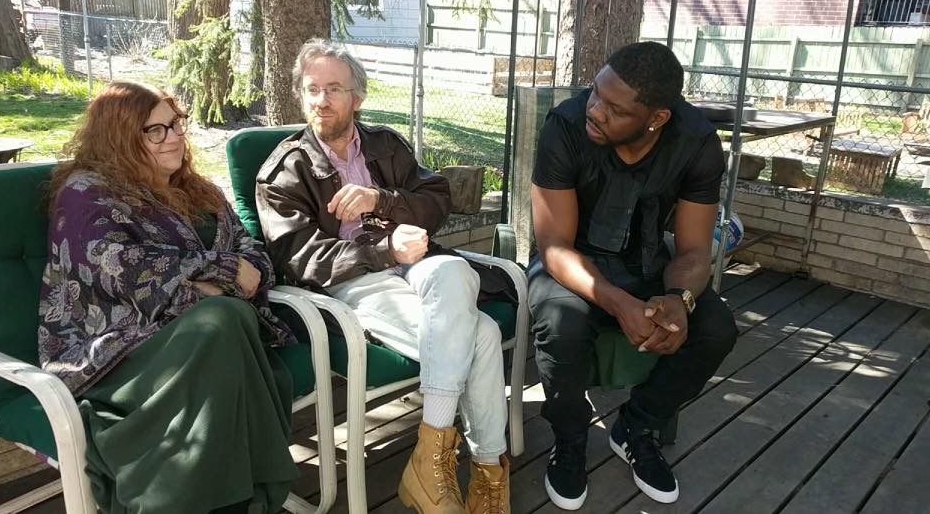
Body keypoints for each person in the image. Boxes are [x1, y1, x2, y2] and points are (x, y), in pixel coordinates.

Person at [256, 39, 511, 514]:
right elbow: (299, 258)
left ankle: (429, 458)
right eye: (312, 89)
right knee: (483, 333)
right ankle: (488, 470)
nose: (321, 100)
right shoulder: (284, 171)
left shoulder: (385, 145)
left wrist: (382, 201)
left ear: (357, 97)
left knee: (455, 269)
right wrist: (382, 248)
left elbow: (436, 200)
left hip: (419, 263)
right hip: (351, 283)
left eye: (334, 88)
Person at [38, 82, 299, 514]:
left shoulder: (198, 190)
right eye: (154, 130)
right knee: (221, 320)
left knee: (223, 319)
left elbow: (252, 252)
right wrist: (224, 275)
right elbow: (118, 267)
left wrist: (223, 281)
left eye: (175, 124)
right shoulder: (86, 195)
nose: (174, 136)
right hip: (123, 350)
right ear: (119, 139)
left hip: (210, 339)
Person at [529, 41, 738, 509]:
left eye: (613, 108)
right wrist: (617, 302)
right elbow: (554, 247)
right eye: (596, 93)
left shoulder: (697, 142)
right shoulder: (566, 125)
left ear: (657, 118)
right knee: (561, 324)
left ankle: (636, 425)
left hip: (647, 264)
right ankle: (570, 440)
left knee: (716, 329)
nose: (595, 110)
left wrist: (680, 298)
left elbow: (692, 250)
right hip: (570, 266)